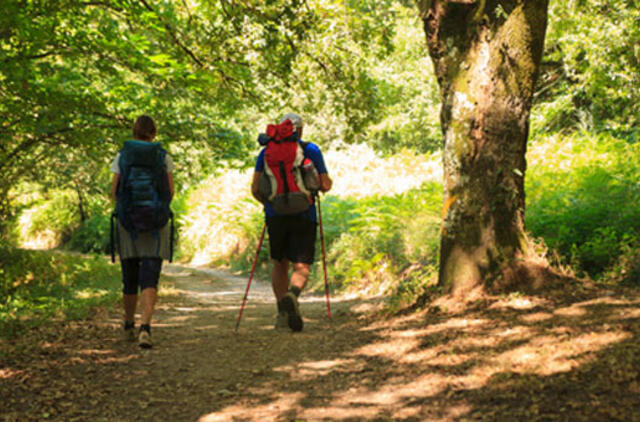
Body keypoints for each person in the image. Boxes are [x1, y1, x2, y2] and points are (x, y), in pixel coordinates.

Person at [251, 113, 332, 332]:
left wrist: (270, 203)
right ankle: (292, 295)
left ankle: (281, 313)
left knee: (280, 263)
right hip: (305, 213)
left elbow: (255, 188)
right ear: (301, 130)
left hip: (275, 214)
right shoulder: (310, 150)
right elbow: (324, 184)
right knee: (301, 264)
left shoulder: (266, 151)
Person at [110, 115, 174, 348]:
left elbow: (115, 190)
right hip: (156, 223)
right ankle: (145, 327)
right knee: (150, 274)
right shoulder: (163, 156)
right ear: (154, 133)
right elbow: (170, 191)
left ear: (134, 132)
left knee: (130, 275)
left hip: (128, 223)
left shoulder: (123, 156)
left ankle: (128, 325)